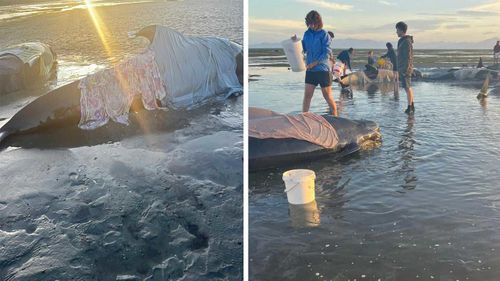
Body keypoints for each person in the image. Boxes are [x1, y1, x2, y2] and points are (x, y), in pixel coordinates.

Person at [301, 10, 337, 116]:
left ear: (318, 22)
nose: (311, 26)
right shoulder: (306, 34)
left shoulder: (324, 34)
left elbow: (327, 52)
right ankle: (304, 118)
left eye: (313, 23)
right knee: (307, 96)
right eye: (309, 23)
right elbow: (303, 47)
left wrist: (315, 63)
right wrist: (296, 42)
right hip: (310, 70)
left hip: (322, 70)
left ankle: (335, 116)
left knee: (327, 96)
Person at [396, 21, 415, 114]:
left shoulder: (406, 42)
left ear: (401, 30)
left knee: (407, 88)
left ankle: (410, 107)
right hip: (402, 68)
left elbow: (409, 57)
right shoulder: (402, 41)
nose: (396, 32)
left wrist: (406, 70)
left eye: (397, 30)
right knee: (408, 87)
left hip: (405, 69)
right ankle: (411, 105)